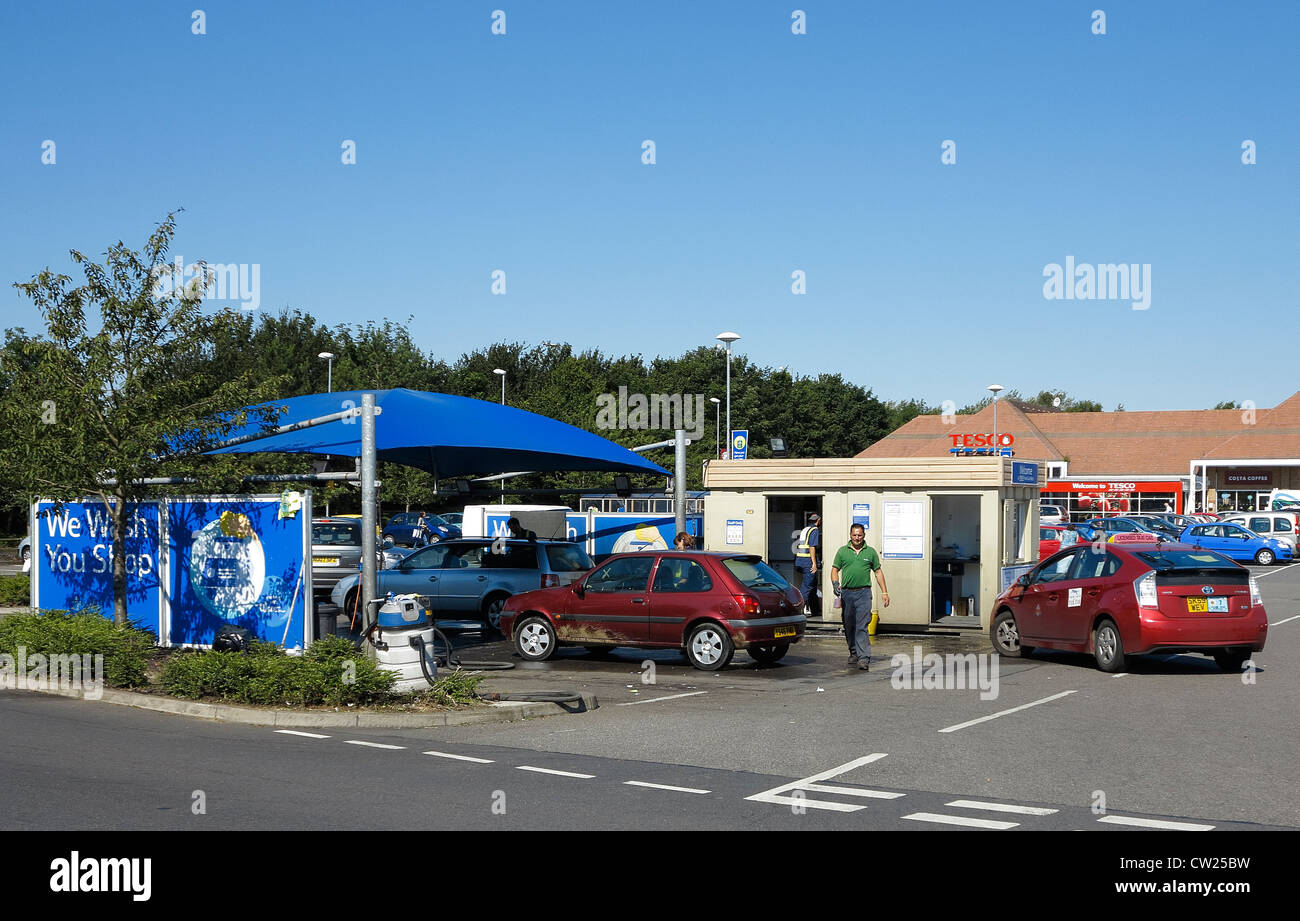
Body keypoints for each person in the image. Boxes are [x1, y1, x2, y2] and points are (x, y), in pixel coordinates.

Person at [830, 523, 889, 670]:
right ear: (850, 535)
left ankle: (864, 658)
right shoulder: (842, 552)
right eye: (854, 535)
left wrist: (884, 592)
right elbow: (834, 570)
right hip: (847, 594)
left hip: (864, 593)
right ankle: (853, 652)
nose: (857, 538)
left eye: (859, 535)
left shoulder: (871, 552)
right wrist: (835, 583)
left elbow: (878, 572)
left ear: (864, 536)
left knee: (861, 626)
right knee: (849, 625)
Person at [794, 513, 821, 616]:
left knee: (812, 585)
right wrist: (814, 563)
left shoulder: (805, 529)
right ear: (818, 520)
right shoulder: (814, 530)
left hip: (800, 560)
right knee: (807, 586)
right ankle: (797, 611)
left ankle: (815, 610)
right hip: (807, 562)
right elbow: (812, 547)